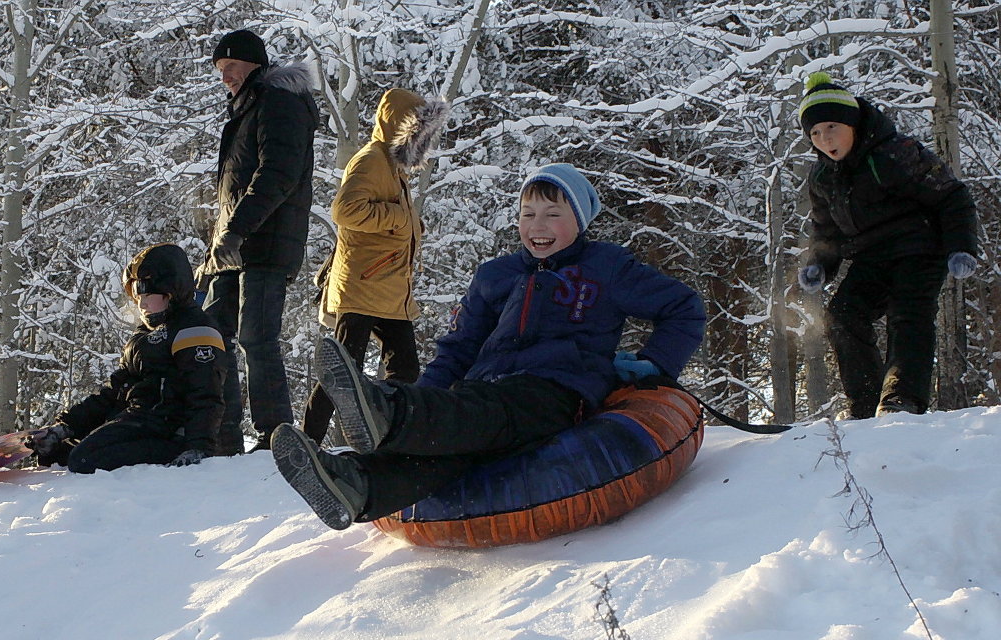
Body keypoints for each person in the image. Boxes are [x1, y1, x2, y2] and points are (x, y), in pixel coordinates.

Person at [269, 163, 706, 530]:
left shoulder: (606, 267)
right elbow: (459, 348)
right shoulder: (496, 275)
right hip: (483, 388)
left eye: (553, 214)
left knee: (486, 412)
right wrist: (428, 395)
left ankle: (388, 408)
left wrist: (654, 365)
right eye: (528, 213)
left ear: (580, 219)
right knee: (453, 449)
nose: (538, 226)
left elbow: (684, 308)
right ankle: (357, 483)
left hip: (555, 390)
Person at [795, 71, 980, 418]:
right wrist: (818, 263)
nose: (824, 138)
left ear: (852, 123)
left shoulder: (895, 153)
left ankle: (902, 400)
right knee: (842, 315)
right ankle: (864, 404)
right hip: (870, 257)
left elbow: (953, 195)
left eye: (831, 127)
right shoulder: (822, 177)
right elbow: (826, 230)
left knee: (908, 314)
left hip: (920, 248)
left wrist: (961, 247)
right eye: (815, 133)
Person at [302, 88, 450, 445]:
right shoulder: (371, 160)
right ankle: (308, 440)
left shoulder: (393, 166)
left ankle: (391, 438)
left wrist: (411, 226)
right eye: (418, 132)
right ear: (400, 128)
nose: (423, 141)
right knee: (343, 370)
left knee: (405, 370)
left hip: (388, 287)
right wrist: (401, 219)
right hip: (363, 285)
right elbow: (345, 211)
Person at [199, 28, 319, 454]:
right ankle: (223, 435)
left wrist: (238, 229)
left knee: (256, 337)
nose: (225, 75)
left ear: (254, 63)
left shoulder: (278, 102)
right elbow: (234, 189)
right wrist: (220, 241)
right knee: (213, 334)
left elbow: (277, 174)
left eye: (231, 65)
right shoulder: (248, 107)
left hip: (265, 243)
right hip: (237, 244)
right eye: (219, 69)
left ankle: (275, 436)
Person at [26, 243, 227, 473]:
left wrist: (198, 446)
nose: (142, 304)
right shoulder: (143, 335)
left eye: (148, 294)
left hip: (169, 430)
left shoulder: (195, 328)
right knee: (65, 456)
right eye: (137, 295)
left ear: (172, 291)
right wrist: (66, 426)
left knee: (84, 459)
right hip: (140, 421)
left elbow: (205, 394)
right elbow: (114, 391)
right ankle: (57, 447)